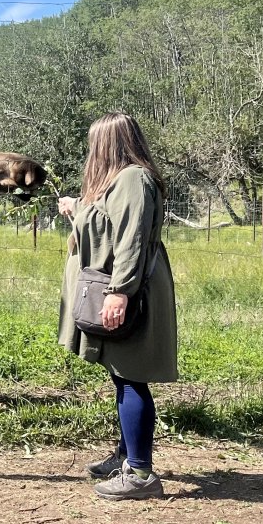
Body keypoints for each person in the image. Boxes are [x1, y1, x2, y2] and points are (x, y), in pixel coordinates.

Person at [57, 113, 178, 499]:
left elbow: (131, 238)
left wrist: (119, 291)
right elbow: (107, 223)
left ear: (110, 143)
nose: (92, 151)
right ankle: (127, 455)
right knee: (121, 374)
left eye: (96, 143)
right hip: (120, 287)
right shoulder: (120, 181)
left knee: (130, 376)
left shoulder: (132, 179)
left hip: (128, 289)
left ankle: (141, 474)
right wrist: (79, 209)